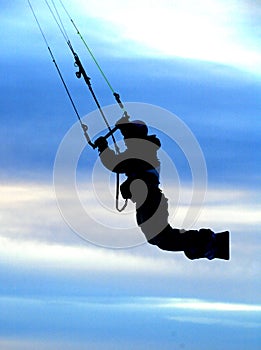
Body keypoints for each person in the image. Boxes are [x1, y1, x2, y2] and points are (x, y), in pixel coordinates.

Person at [94, 117, 230, 260]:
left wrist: (104, 149)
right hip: (147, 201)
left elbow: (116, 164)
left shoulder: (142, 150)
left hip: (150, 199)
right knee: (156, 239)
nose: (126, 139)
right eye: (125, 135)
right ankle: (204, 244)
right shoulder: (141, 149)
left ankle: (207, 242)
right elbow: (122, 164)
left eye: (128, 135)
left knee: (163, 239)